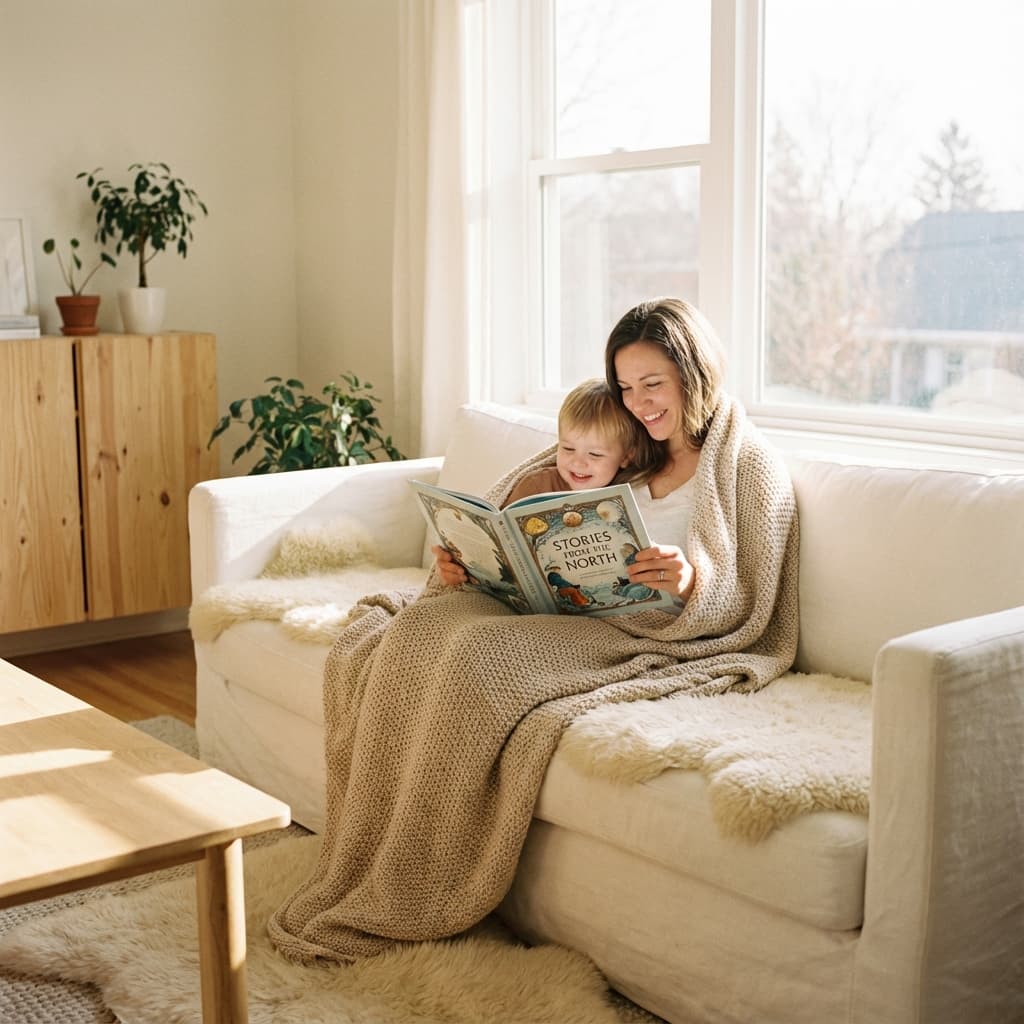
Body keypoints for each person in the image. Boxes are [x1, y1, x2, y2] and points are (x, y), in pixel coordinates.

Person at [268, 297, 799, 966]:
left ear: (695, 374)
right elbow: (517, 501)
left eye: (653, 385)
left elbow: (756, 596)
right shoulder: (624, 438)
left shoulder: (748, 467)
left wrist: (690, 581)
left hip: (647, 635)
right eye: (626, 386)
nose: (639, 402)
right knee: (414, 631)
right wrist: (463, 559)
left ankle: (415, 882)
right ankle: (362, 849)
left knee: (476, 656)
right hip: (556, 611)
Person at [433, 376, 652, 586]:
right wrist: (459, 569)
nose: (578, 462)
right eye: (567, 448)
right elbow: (499, 546)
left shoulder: (632, 497)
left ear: (626, 457)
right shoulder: (536, 486)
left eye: (594, 454)